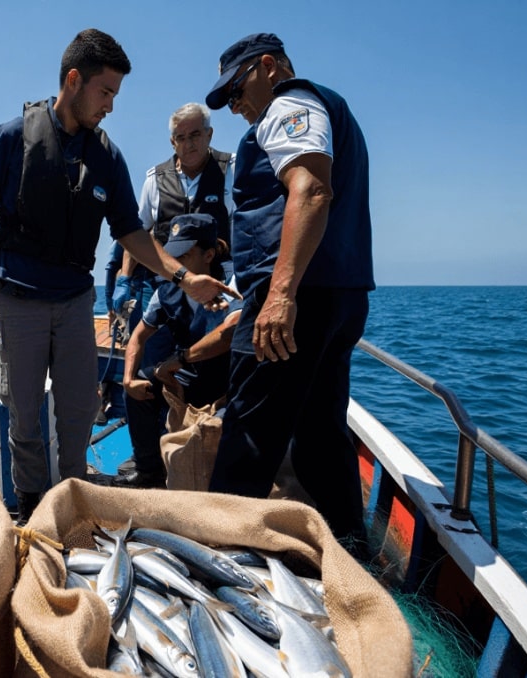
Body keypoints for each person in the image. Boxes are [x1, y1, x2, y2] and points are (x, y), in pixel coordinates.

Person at [0, 28, 234, 522]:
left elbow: (132, 233)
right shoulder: (12, 137)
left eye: (115, 94)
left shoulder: (107, 157)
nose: (111, 106)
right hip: (19, 299)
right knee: (25, 417)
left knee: (76, 413)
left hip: (75, 300)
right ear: (74, 80)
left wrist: (184, 277)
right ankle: (32, 508)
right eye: (106, 92)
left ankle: (71, 499)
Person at [204, 34, 374, 543]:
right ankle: (352, 549)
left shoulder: (288, 105)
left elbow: (312, 189)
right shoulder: (328, 110)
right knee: (321, 438)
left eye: (237, 90)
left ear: (268, 66)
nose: (236, 107)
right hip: (340, 296)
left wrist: (280, 295)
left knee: (247, 437)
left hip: (297, 299)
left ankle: (213, 558)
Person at [119, 214, 241, 488]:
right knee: (138, 387)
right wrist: (128, 379)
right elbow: (138, 336)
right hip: (183, 380)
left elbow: (229, 334)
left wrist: (182, 358)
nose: (175, 265)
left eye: (183, 256)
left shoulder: (235, 283)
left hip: (226, 386)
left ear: (208, 254)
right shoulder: (166, 290)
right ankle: (149, 470)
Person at [113, 102, 233, 322]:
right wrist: (125, 279)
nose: (189, 144)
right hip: (164, 286)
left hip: (216, 284)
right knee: (151, 349)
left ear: (209, 134)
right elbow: (136, 232)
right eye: (181, 138)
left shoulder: (231, 171)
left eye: (195, 135)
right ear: (172, 142)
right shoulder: (154, 180)